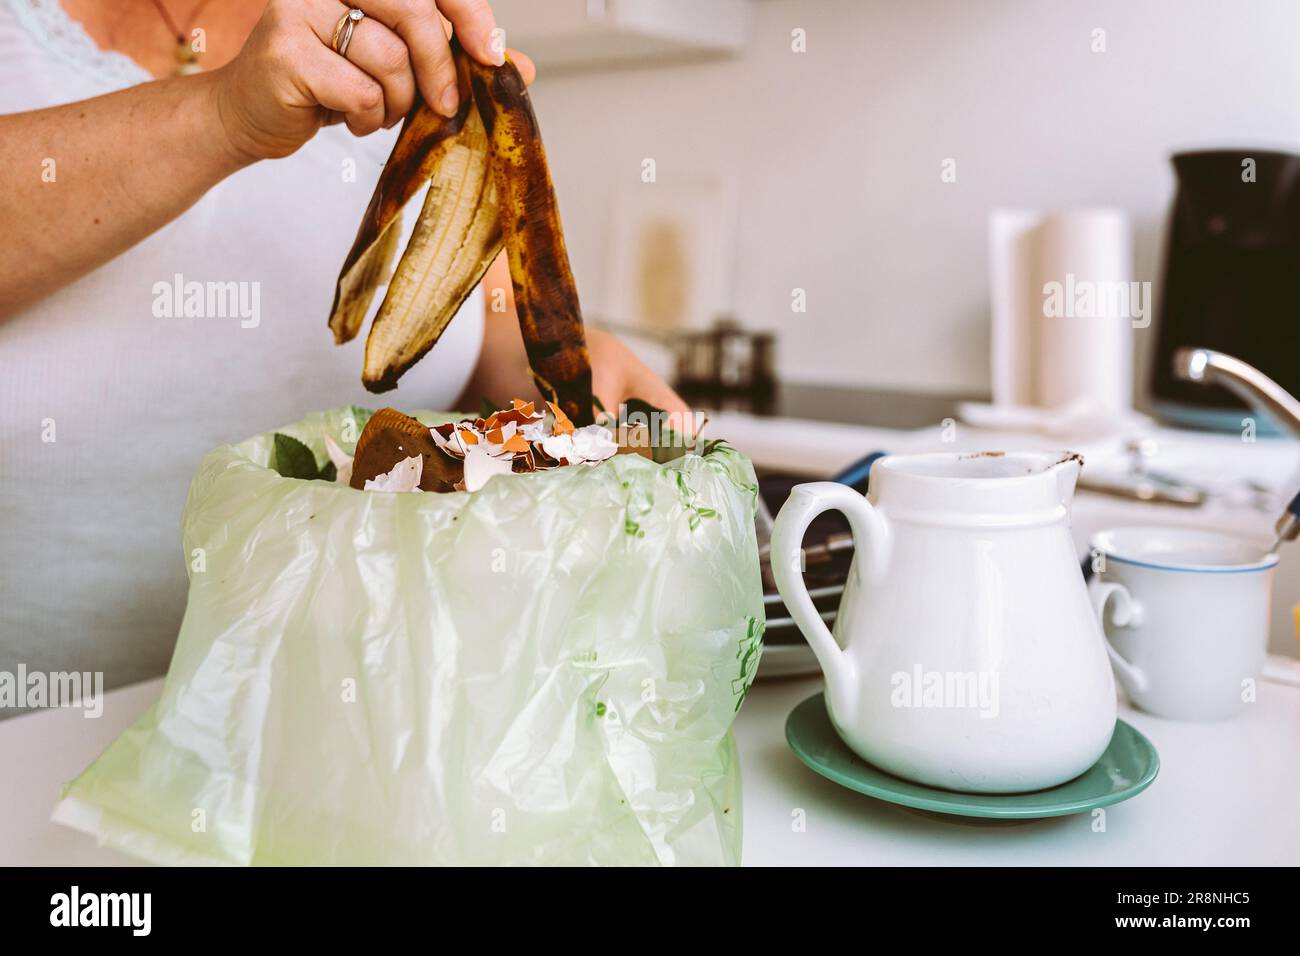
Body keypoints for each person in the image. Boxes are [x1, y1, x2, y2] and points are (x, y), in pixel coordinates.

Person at [0, 0, 688, 702]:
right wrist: (223, 116)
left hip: (339, 727)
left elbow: (477, 327)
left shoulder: (387, 35)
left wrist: (567, 369)